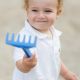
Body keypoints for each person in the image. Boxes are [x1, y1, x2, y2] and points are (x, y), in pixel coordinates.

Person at [12, 0, 78, 80]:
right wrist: (25, 65)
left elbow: (54, 57)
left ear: (58, 13)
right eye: (34, 10)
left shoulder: (53, 32)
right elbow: (19, 64)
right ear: (27, 11)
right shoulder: (24, 37)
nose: (41, 16)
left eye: (47, 11)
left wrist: (66, 73)